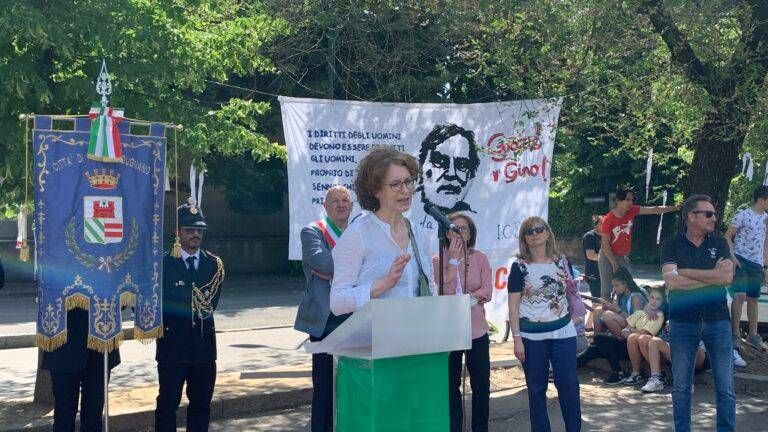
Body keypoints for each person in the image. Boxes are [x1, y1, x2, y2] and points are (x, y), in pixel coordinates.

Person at [661, 194, 735, 432]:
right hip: (683, 322)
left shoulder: (720, 243)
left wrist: (686, 272)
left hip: (718, 321)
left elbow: (726, 278)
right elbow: (671, 282)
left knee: (725, 386)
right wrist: (710, 278)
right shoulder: (671, 244)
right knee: (681, 386)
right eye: (709, 214)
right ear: (691, 217)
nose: (715, 218)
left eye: (714, 214)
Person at [330, 147, 434, 316]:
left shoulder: (419, 234)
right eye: (395, 184)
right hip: (371, 340)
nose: (406, 190)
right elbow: (337, 302)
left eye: (408, 181)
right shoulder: (358, 233)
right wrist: (385, 283)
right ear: (375, 190)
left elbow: (429, 289)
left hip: (415, 338)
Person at [155, 198, 226, 432]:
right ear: (177, 232)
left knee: (201, 407)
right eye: (189, 229)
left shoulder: (214, 265)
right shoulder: (163, 265)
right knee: (167, 406)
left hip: (203, 350)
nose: (195, 234)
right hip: (172, 349)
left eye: (199, 229)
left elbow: (208, 305)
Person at [508, 216, 581, 432]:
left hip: (563, 332)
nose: (535, 234)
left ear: (548, 233)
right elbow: (513, 307)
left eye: (539, 229)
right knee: (537, 390)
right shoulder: (518, 267)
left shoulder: (562, 261)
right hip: (531, 337)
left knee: (569, 386)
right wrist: (517, 339)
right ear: (524, 239)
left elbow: (571, 293)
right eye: (529, 232)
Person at [294, 185, 352, 432]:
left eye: (345, 200)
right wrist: (352, 267)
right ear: (325, 207)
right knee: (325, 384)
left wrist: (335, 270)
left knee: (352, 381)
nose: (341, 204)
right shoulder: (313, 231)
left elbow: (367, 265)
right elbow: (322, 264)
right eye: (335, 201)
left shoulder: (359, 230)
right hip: (325, 320)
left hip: (355, 315)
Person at [432, 213, 492, 432]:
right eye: (454, 228)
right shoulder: (439, 259)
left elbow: (488, 290)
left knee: (481, 385)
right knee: (451, 385)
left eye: (463, 229)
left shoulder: (481, 258)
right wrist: (453, 260)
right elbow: (445, 293)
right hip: (449, 333)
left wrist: (468, 299)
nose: (458, 232)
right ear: (447, 233)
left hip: (477, 331)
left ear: (470, 233)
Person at [41, 308, 121, 432]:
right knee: (64, 418)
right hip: (63, 344)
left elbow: (120, 303)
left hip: (100, 345)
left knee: (93, 418)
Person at [598, 186, 679, 299]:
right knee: (606, 290)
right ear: (618, 200)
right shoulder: (608, 219)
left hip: (622, 255)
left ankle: (626, 311)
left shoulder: (632, 210)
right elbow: (605, 246)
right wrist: (614, 264)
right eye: (627, 199)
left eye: (632, 200)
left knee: (628, 286)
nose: (630, 202)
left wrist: (675, 208)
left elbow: (654, 209)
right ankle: (605, 313)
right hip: (607, 256)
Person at [726, 185, 768, 357]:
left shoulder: (766, 219)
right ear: (761, 199)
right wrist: (732, 256)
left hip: (757, 263)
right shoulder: (743, 215)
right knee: (739, 295)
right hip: (741, 259)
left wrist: (765, 264)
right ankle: (735, 333)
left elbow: (766, 242)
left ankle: (752, 334)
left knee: (753, 298)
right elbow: (728, 236)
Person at [417, 123, 481, 214]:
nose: (451, 174)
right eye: (440, 162)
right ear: (421, 170)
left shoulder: (470, 225)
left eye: (462, 165)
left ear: (470, 179)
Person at [614, 286, 666, 385]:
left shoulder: (659, 315)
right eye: (652, 297)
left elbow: (645, 333)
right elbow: (624, 330)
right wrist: (631, 331)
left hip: (649, 347)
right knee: (632, 337)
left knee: (636, 337)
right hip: (634, 346)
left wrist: (631, 330)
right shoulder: (639, 313)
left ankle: (657, 374)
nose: (654, 301)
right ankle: (636, 373)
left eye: (658, 299)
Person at [590, 267, 647, 336]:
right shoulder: (620, 295)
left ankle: (620, 341)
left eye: (617, 285)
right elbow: (615, 310)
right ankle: (597, 340)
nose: (614, 289)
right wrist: (608, 307)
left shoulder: (636, 297)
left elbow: (636, 321)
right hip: (625, 321)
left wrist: (618, 311)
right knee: (598, 311)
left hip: (634, 326)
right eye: (613, 286)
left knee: (607, 316)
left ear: (625, 284)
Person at [582, 215, 603, 298]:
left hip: (604, 272)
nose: (605, 225)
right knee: (597, 300)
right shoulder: (590, 236)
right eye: (602, 223)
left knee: (607, 300)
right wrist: (607, 258)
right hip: (593, 273)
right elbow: (591, 255)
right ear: (595, 224)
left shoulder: (606, 236)